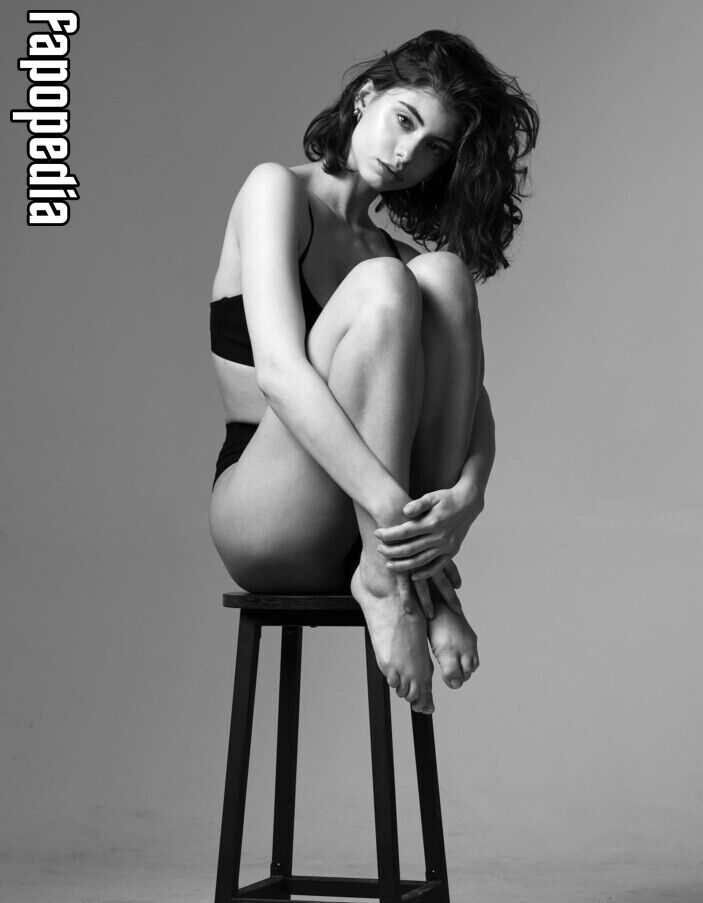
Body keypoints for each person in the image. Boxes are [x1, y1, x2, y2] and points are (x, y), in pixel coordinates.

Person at [208, 29, 539, 716]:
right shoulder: (276, 191)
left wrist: (467, 500)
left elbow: (475, 405)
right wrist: (394, 514)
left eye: (434, 148)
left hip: (366, 529)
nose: (406, 154)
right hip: (269, 515)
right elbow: (280, 373)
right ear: (365, 97)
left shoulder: (395, 255)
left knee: (443, 274)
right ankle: (403, 581)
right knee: (388, 283)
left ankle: (403, 571)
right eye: (404, 120)